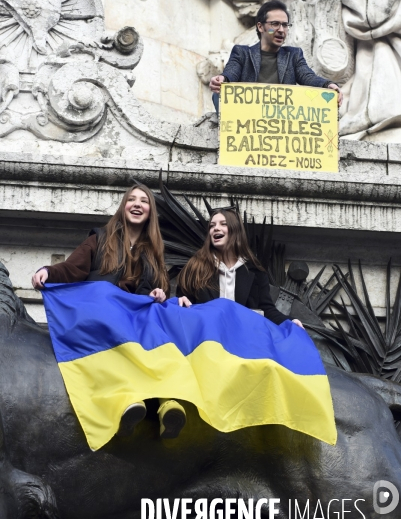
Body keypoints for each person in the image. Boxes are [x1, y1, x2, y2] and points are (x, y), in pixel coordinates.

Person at [32, 184, 187, 440]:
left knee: (158, 317)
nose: (137, 204)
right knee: (109, 305)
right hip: (103, 311)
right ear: (123, 206)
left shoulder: (154, 253)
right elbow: (73, 268)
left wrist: (160, 294)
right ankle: (127, 400)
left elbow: (161, 288)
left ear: (150, 212)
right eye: (132, 200)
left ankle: (167, 403)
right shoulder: (100, 238)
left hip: (135, 315)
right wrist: (49, 271)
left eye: (144, 201)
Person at [176, 207, 303, 329]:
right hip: (206, 341)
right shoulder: (195, 267)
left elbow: (267, 310)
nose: (216, 228)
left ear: (235, 230)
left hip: (241, 343)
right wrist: (179, 301)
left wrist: (289, 321)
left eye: (223, 224)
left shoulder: (255, 272)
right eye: (212, 225)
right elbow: (184, 306)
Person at [209, 0, 343, 112]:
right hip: (248, 118)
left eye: (285, 25)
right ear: (261, 27)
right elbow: (232, 71)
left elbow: (307, 76)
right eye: (275, 24)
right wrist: (223, 79)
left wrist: (328, 84)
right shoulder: (242, 52)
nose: (281, 30)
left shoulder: (294, 55)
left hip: (280, 121)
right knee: (218, 95)